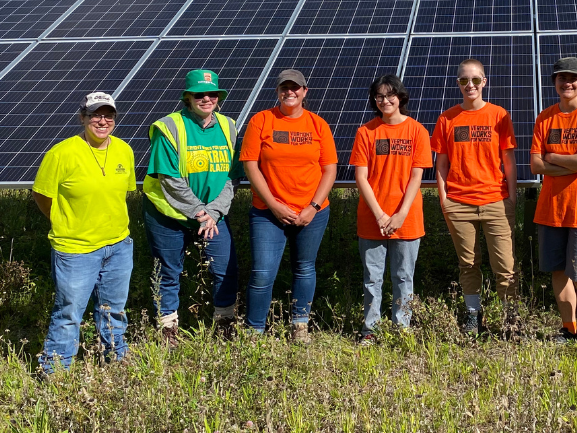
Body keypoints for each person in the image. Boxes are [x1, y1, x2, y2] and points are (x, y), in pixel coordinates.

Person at [33, 93, 137, 373]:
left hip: (118, 246)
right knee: (69, 313)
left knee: (113, 309)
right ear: (83, 118)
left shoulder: (124, 150)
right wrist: (62, 220)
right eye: (95, 115)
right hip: (75, 249)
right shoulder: (61, 153)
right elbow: (42, 195)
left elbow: (120, 194)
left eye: (108, 115)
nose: (102, 121)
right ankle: (55, 372)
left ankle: (115, 361)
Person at [142, 69, 242, 345]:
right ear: (187, 97)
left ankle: (224, 324)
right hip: (168, 215)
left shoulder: (229, 126)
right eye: (199, 94)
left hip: (212, 215)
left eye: (212, 94)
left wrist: (213, 213)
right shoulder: (169, 127)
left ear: (219, 98)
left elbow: (232, 176)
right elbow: (169, 178)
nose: (206, 98)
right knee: (168, 271)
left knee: (225, 268)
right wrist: (200, 212)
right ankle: (168, 330)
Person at [240, 69, 338, 342]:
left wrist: (313, 207)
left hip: (312, 212)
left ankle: (300, 325)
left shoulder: (318, 125)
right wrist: (274, 205)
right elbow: (250, 165)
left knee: (304, 267)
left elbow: (329, 169)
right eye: (285, 87)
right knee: (262, 273)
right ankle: (254, 332)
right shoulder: (262, 121)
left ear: (305, 92)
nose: (290, 92)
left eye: (296, 88)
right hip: (267, 213)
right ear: (277, 91)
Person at [432, 59, 518, 334]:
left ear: (485, 82)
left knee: (504, 266)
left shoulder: (498, 115)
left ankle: (509, 320)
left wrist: (511, 197)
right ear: (457, 83)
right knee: (468, 264)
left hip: (496, 201)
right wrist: (444, 199)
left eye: (476, 80)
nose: (470, 85)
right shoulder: (447, 118)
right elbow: (441, 164)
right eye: (463, 80)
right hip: (458, 203)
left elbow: (509, 159)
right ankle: (473, 317)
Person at [530, 57, 577, 351]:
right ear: (555, 83)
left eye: (574, 78)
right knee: (559, 274)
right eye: (562, 78)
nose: (568, 83)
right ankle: (568, 329)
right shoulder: (545, 117)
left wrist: (552, 157)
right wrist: (570, 161)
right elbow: (535, 165)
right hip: (551, 209)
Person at [350, 74, 432, 343]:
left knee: (403, 277)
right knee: (372, 279)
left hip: (407, 218)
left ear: (400, 97)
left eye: (390, 95)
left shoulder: (417, 131)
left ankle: (401, 330)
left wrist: (399, 214)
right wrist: (381, 215)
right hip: (372, 218)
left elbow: (416, 178)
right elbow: (361, 177)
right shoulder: (366, 132)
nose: (385, 101)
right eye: (379, 97)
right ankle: (370, 330)